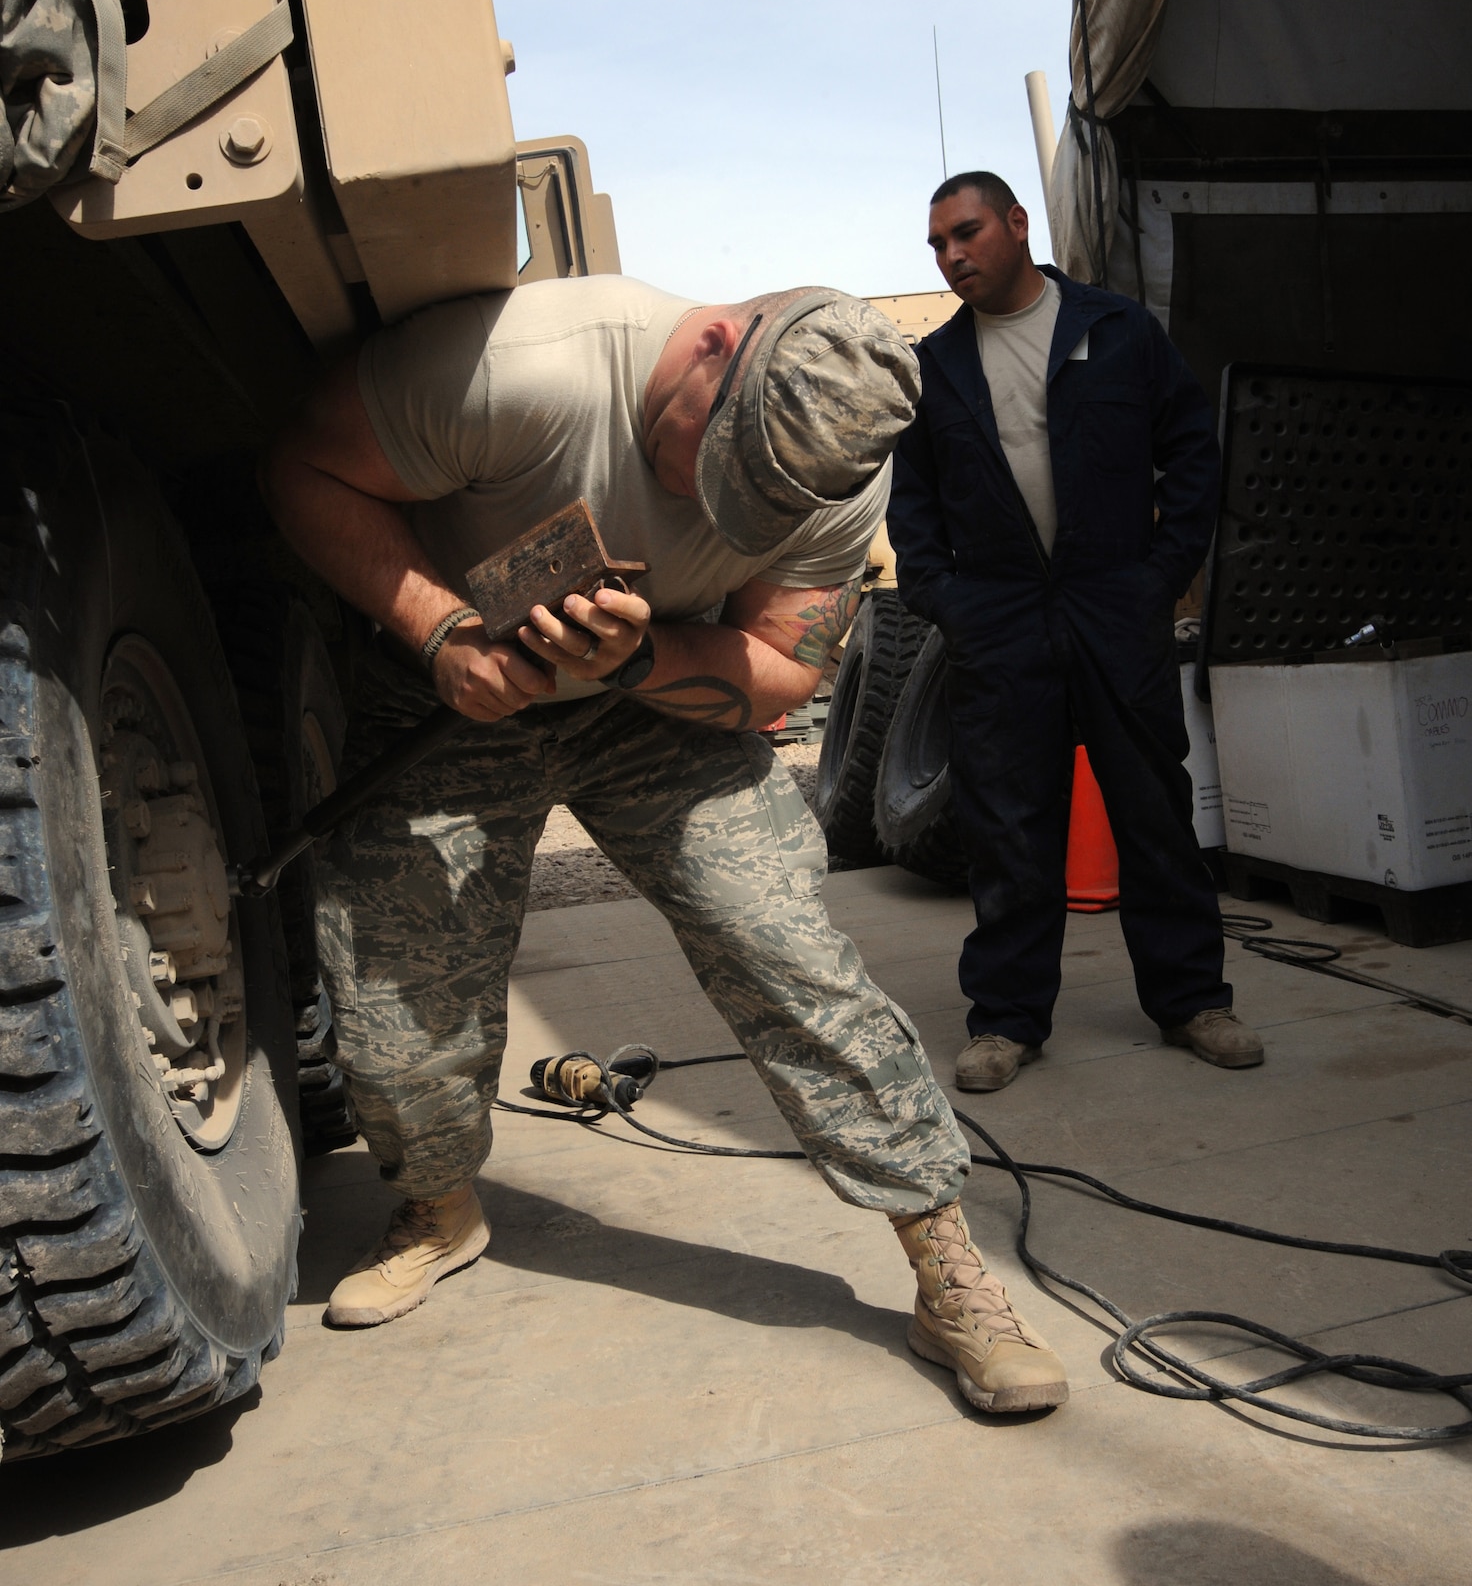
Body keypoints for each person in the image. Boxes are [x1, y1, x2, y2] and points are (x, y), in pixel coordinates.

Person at [262, 271, 1069, 1413]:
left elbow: (785, 663)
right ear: (706, 346)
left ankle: (944, 1261)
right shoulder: (517, 368)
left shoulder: (828, 472)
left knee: (782, 948)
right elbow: (301, 469)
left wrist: (638, 663)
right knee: (397, 1008)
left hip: (654, 697)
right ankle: (439, 1204)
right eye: (714, 468)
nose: (720, 511)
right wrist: (441, 632)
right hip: (445, 692)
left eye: (758, 505)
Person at [888, 172, 1263, 1093]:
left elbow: (1191, 453)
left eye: (966, 233)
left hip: (1112, 604)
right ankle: (1008, 1021)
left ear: (1017, 225)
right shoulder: (937, 368)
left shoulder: (1115, 331)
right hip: (1002, 621)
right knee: (1007, 827)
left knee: (1152, 811)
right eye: (936, 245)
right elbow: (916, 512)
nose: (951, 256)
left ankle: (1191, 1001)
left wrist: (1158, 576)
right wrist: (954, 603)